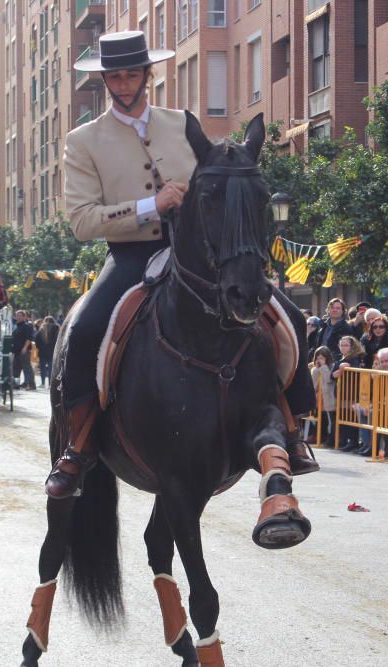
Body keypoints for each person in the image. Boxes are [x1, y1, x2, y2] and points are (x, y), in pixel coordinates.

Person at [43, 31, 317, 503]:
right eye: (115, 75)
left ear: (148, 75)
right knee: (86, 328)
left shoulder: (182, 123)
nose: (124, 83)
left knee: (288, 315)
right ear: (104, 80)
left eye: (132, 73)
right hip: (129, 256)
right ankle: (80, 444)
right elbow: (82, 221)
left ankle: (291, 429)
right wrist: (154, 202)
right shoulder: (83, 140)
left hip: (196, 255)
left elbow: (212, 175)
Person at [310, 346, 336, 447]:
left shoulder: (332, 366)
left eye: (322, 358)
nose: (319, 360)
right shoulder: (315, 368)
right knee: (321, 418)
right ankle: (319, 436)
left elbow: (329, 380)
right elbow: (314, 384)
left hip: (329, 397)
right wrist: (316, 370)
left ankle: (332, 438)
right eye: (318, 358)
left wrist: (323, 367)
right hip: (319, 398)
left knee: (331, 420)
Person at [12, 310, 37, 390]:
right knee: (16, 368)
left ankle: (31, 385)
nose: (18, 317)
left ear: (24, 317)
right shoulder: (16, 326)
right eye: (17, 315)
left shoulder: (27, 326)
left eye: (20, 315)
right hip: (16, 351)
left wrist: (25, 347)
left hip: (24, 351)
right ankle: (16, 384)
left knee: (27, 368)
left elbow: (29, 338)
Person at [34, 316, 60, 388]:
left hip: (42, 351)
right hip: (53, 351)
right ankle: (50, 384)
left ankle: (42, 383)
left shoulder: (41, 329)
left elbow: (36, 339)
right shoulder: (56, 328)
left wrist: (39, 347)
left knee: (43, 368)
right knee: (51, 368)